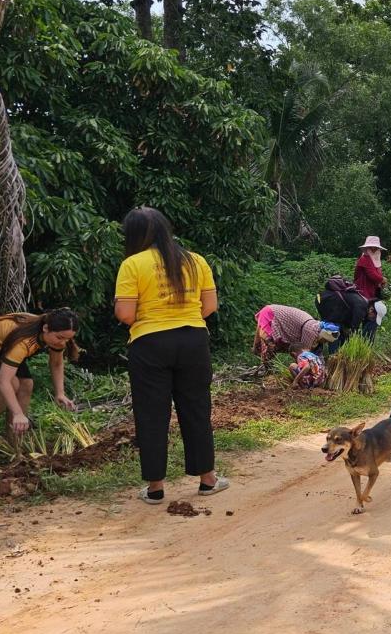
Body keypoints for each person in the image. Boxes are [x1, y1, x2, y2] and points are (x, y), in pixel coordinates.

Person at [114, 207, 227, 503]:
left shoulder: (132, 264)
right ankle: (208, 480)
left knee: (152, 414)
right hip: (193, 340)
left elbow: (125, 313)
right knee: (196, 409)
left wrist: (154, 319)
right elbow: (210, 306)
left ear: (135, 234)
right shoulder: (196, 261)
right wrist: (183, 318)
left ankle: (155, 488)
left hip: (149, 343)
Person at [0, 309, 80, 444]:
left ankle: (15, 442)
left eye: (68, 339)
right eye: (60, 338)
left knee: (26, 384)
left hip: (6, 348)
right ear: (46, 328)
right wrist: (17, 413)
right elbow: (3, 381)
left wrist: (60, 393)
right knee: (12, 384)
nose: (62, 343)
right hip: (2, 346)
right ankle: (18, 420)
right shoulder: (25, 342)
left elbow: (56, 363)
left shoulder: (56, 338)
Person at [254, 304, 337, 361]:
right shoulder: (267, 313)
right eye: (325, 341)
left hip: (298, 326)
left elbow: (307, 354)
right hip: (283, 320)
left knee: (305, 354)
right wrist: (260, 345)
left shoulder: (313, 329)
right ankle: (267, 370)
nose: (325, 342)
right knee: (268, 346)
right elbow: (262, 333)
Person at [354, 236, 387, 341]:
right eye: (371, 247)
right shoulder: (365, 259)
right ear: (367, 247)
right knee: (370, 318)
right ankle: (365, 342)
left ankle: (365, 342)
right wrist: (382, 279)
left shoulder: (374, 259)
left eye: (375, 247)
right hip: (363, 292)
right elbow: (373, 275)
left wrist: (381, 280)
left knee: (370, 319)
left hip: (371, 292)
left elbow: (377, 275)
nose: (373, 249)